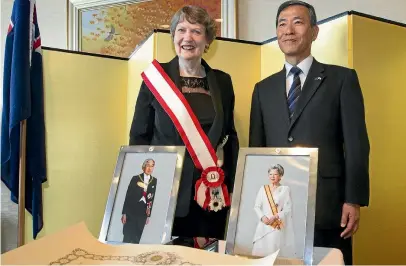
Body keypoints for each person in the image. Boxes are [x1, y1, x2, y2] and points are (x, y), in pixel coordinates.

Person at [248, 1, 370, 264]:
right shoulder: (262, 89)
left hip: (328, 207)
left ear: (314, 31)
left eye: (298, 22)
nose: (288, 30)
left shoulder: (342, 79)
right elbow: (258, 151)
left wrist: (354, 199)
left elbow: (357, 144)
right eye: (282, 23)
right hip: (277, 210)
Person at [129, 5, 239, 240]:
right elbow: (139, 137)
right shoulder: (156, 80)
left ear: (207, 40)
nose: (187, 37)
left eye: (196, 31)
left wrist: (229, 179)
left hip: (212, 193)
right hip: (165, 194)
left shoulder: (223, 82)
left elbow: (230, 134)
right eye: (181, 30)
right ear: (173, 37)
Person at [252, 164, 295, 258]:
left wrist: (276, 216)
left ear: (280, 176)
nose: (272, 176)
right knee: (260, 250)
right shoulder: (263, 189)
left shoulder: (285, 189)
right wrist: (262, 217)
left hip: (276, 224)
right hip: (264, 223)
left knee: (273, 250)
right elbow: (256, 206)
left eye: (275, 174)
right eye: (270, 174)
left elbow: (288, 208)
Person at [121, 158, 158, 243]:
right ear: (144, 166)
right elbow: (128, 196)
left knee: (137, 236)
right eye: (148, 165)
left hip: (143, 212)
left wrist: (148, 215)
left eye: (152, 166)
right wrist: (124, 213)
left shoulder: (154, 181)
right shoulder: (135, 178)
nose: (150, 168)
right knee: (127, 235)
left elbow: (152, 197)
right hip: (131, 211)